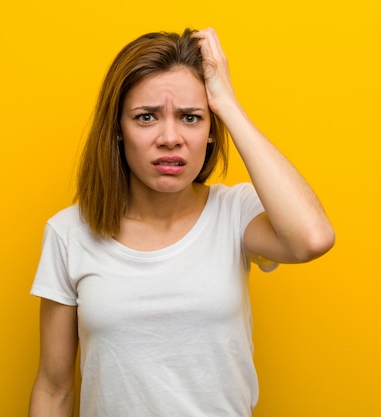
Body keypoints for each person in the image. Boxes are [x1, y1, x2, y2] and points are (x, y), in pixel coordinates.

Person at [28, 27, 335, 417]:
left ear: (210, 131)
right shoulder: (69, 233)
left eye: (191, 118)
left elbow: (312, 238)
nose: (170, 138)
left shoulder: (235, 213)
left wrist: (227, 103)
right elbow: (54, 389)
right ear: (118, 131)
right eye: (146, 117)